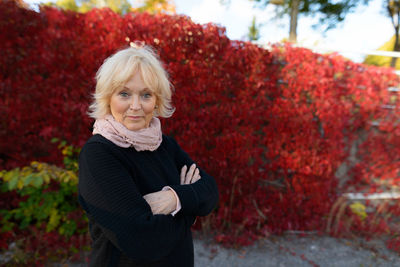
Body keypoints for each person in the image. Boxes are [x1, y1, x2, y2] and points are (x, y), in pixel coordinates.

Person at [78, 43, 219, 267]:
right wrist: (189, 210)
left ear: (156, 101)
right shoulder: (99, 154)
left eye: (146, 95)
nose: (135, 106)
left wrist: (174, 199)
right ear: (107, 97)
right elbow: (142, 242)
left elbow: (210, 192)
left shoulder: (164, 145)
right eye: (124, 93)